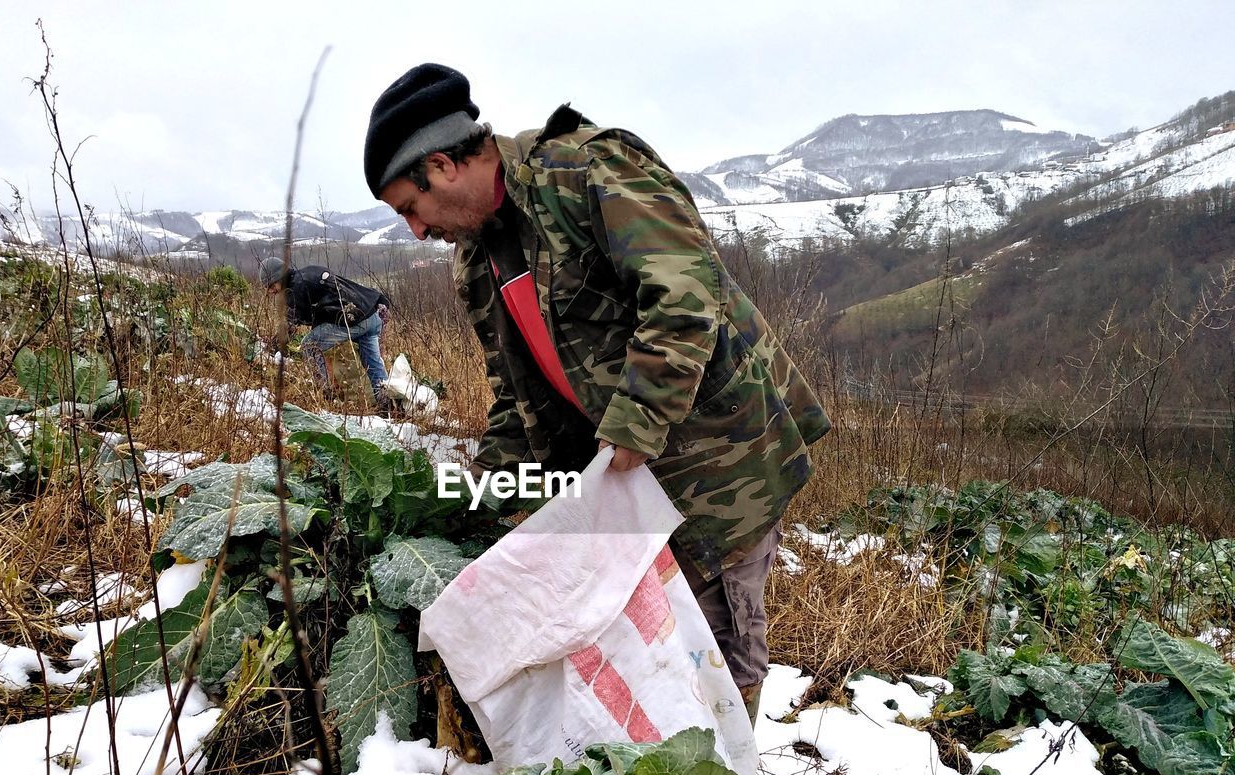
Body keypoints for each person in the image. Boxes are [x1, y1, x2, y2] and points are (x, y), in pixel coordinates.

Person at [362, 64, 830, 722]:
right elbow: (514, 398)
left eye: (411, 208)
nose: (416, 229)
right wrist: (487, 495)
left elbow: (684, 296)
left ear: (442, 165)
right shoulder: (479, 258)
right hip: (618, 488)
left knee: (717, 651)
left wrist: (635, 421)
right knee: (648, 650)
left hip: (716, 469)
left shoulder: (585, 173)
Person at [257, 256, 395, 409]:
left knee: (310, 345)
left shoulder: (296, 288)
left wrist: (273, 348)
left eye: (271, 285)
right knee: (374, 365)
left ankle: (326, 396)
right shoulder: (307, 274)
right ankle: (388, 406)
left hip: (354, 320)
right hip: (372, 316)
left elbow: (290, 324)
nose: (271, 291)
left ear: (279, 277)